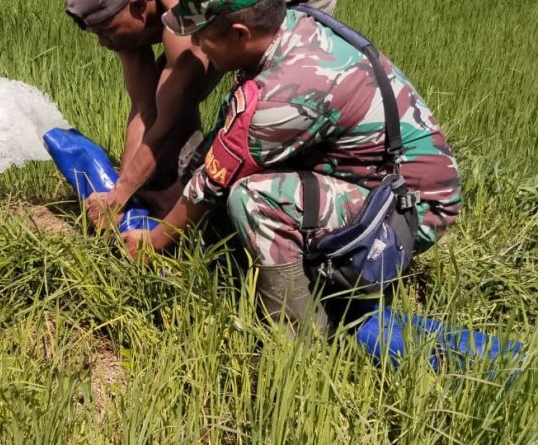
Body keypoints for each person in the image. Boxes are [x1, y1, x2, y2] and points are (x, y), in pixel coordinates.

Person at [120, 0, 462, 333]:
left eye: (203, 35)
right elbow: (229, 139)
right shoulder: (289, 27)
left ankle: (300, 336)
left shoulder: (288, 93)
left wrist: (152, 241)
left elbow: (211, 185)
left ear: (240, 34)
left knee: (254, 200)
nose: (196, 44)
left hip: (409, 210)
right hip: (381, 181)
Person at [64, 0, 337, 230]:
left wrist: (121, 195)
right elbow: (143, 107)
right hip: (222, 18)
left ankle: (231, 206)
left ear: (137, 6)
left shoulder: (188, 15)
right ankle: (178, 192)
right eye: (96, 34)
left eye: (106, 31)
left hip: (290, 7)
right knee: (168, 94)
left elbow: (169, 115)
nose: (102, 43)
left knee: (260, 102)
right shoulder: (125, 24)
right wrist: (120, 189)